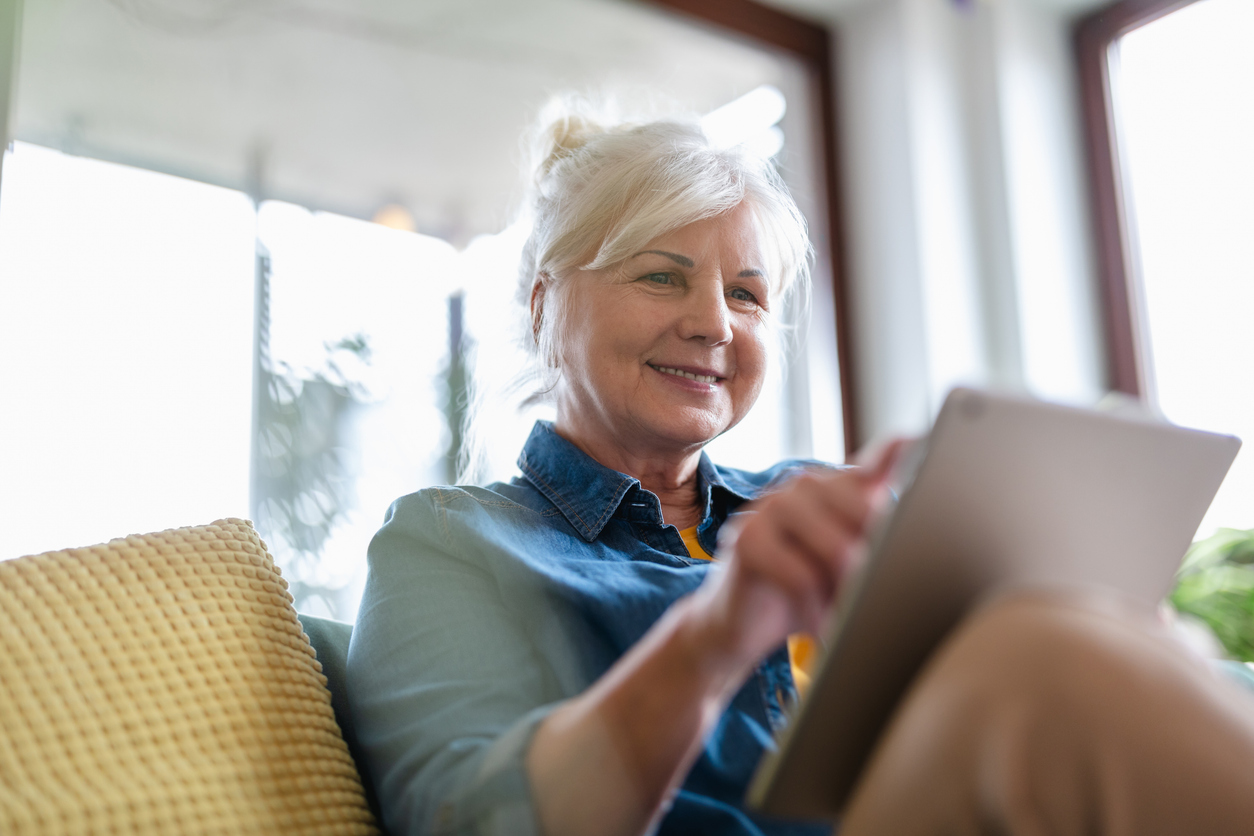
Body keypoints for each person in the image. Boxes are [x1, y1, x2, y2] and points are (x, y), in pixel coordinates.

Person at [345, 110, 1254, 836]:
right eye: (663, 277)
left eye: (746, 293)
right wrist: (714, 637)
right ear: (544, 305)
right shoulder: (451, 542)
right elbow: (469, 822)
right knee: (1047, 657)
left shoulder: (824, 500)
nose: (715, 323)